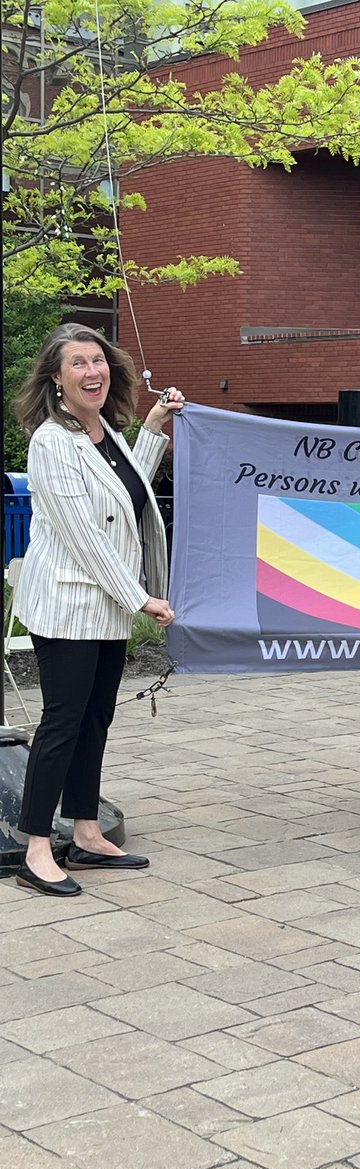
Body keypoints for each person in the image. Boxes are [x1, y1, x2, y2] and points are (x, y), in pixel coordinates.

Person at [11, 322, 184, 897]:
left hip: (104, 606)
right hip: (67, 604)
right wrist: (140, 598)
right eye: (78, 364)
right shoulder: (50, 441)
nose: (93, 371)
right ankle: (37, 845)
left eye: (99, 360)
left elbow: (121, 496)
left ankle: (86, 831)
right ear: (56, 380)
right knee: (62, 722)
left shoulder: (102, 429)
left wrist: (154, 431)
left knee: (95, 720)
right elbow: (84, 535)